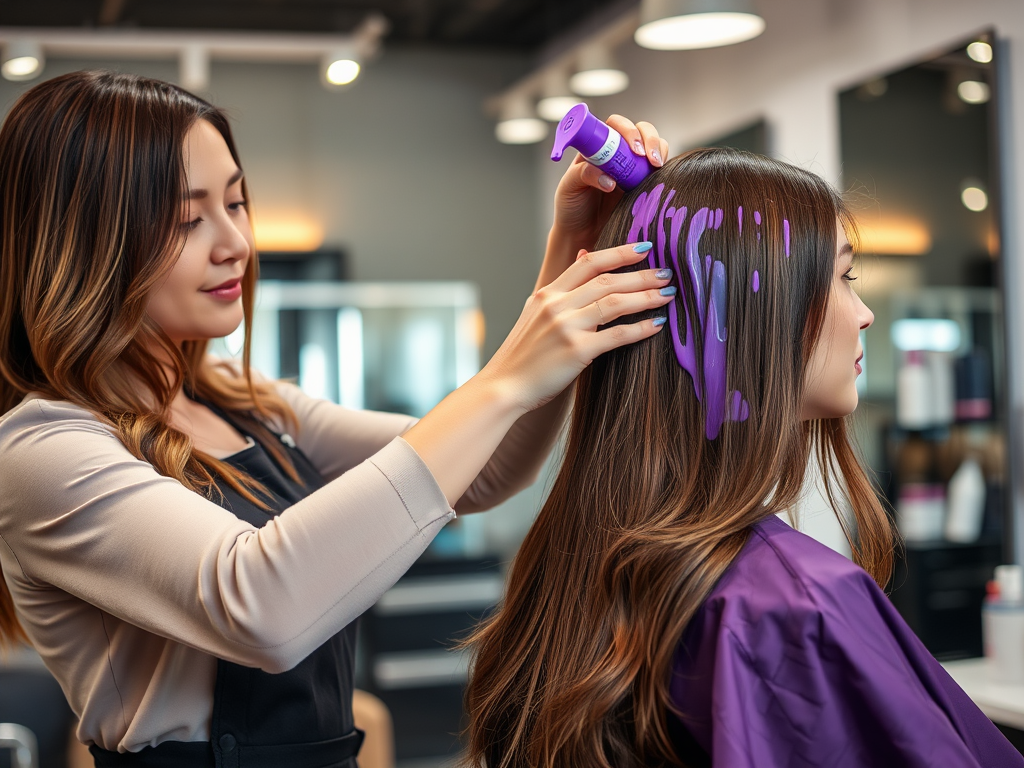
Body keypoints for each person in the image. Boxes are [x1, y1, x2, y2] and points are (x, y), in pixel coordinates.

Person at [0, 70, 674, 766]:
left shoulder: (248, 402)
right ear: (86, 240)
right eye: (187, 218)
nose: (236, 242)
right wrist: (506, 375)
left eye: (237, 203)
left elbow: (487, 468)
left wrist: (571, 251)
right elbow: (260, 604)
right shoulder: (43, 450)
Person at [464, 147, 1024, 768]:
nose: (864, 315)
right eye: (844, 278)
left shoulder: (566, 564)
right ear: (751, 314)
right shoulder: (797, 603)